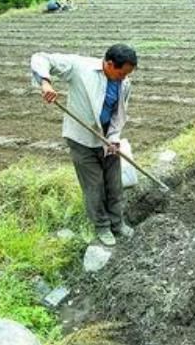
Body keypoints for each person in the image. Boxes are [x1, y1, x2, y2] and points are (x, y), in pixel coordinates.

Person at [30, 44, 138, 246]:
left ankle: (117, 223)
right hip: (82, 139)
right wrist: (45, 83)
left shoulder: (124, 84)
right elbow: (41, 57)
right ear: (109, 64)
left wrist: (114, 137)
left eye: (127, 74)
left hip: (109, 140)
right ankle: (103, 227)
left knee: (114, 185)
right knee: (94, 186)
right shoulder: (80, 67)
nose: (124, 78)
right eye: (121, 73)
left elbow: (119, 114)